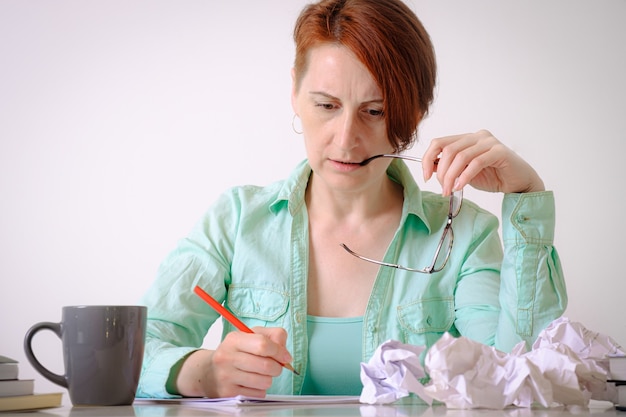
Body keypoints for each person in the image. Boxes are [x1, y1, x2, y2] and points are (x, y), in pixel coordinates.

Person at [136, 0, 567, 400]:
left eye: (374, 111)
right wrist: (204, 373)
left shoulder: (465, 234)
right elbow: (133, 351)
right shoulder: (235, 221)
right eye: (326, 105)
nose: (345, 139)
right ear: (294, 92)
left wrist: (524, 196)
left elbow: (520, 386)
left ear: (412, 114)